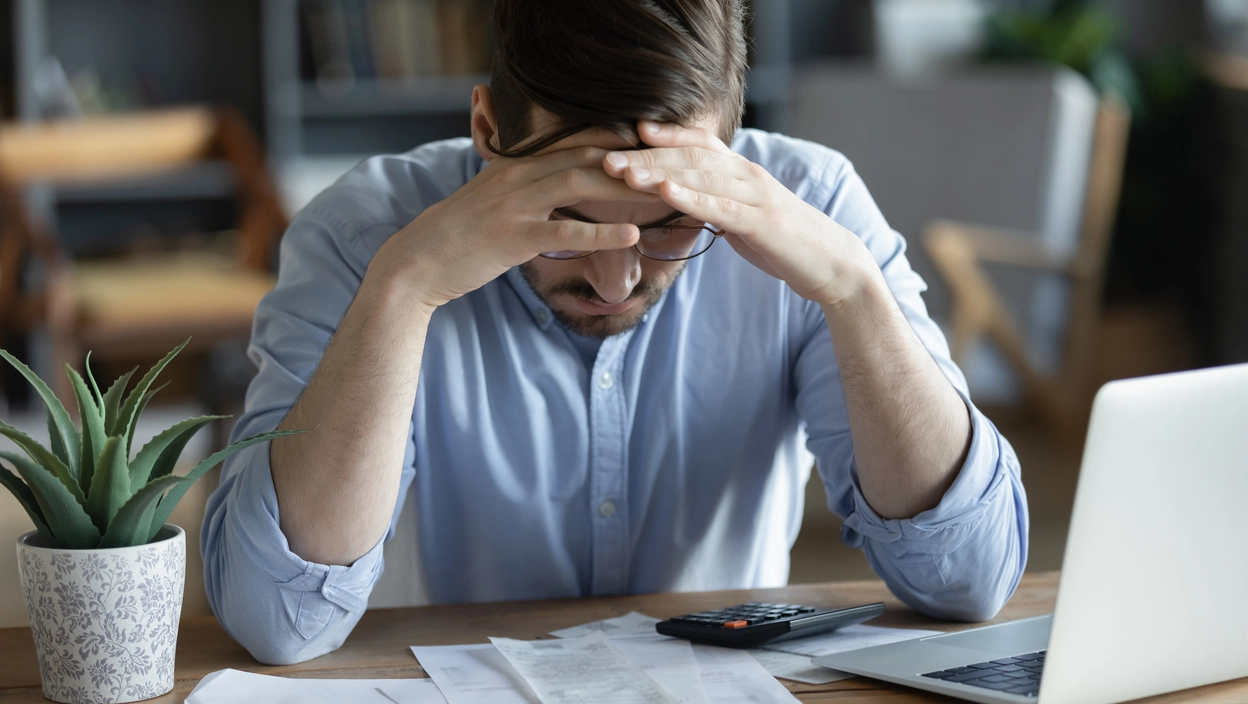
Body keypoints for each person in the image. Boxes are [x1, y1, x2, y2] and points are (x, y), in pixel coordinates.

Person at [202, 0, 1028, 666]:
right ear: (489, 133)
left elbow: (968, 578)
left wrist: (853, 292)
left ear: (730, 145)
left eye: (672, 223)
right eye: (565, 219)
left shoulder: (816, 208)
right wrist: (406, 288)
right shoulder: (363, 235)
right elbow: (280, 620)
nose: (615, 281)